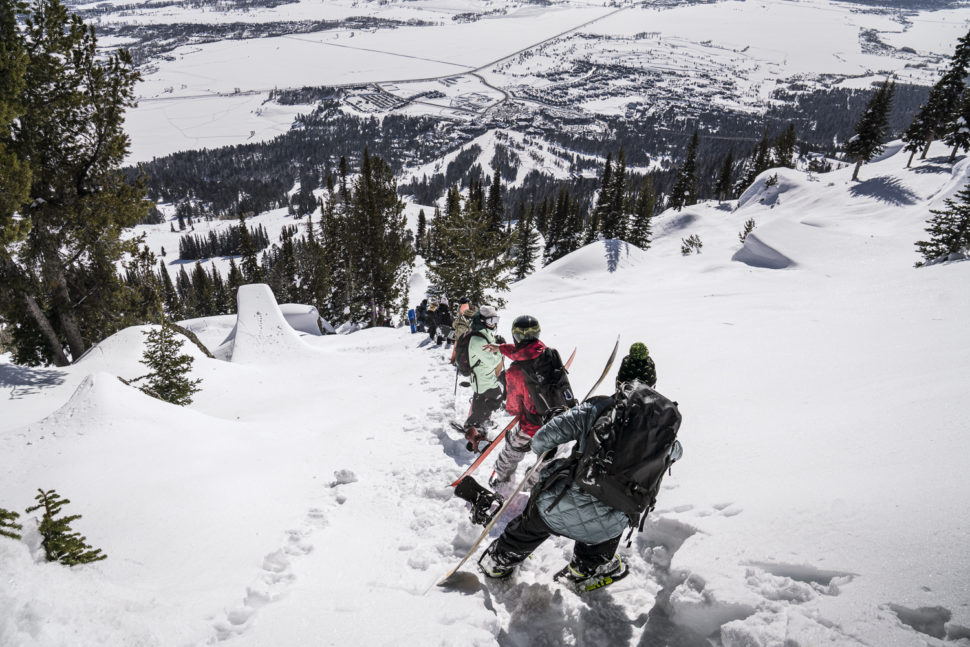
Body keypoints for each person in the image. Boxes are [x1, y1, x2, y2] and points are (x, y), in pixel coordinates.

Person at [478, 398, 627, 584]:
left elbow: (541, 440)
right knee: (610, 521)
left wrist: (556, 420)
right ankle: (585, 569)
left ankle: (500, 561)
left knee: (538, 517)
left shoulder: (600, 407)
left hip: (561, 501)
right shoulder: (660, 428)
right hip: (614, 516)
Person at [486, 315, 550, 491]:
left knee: (511, 451)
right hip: (557, 422)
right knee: (546, 458)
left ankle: (502, 478)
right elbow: (525, 351)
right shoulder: (547, 353)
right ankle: (532, 484)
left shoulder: (515, 371)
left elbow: (513, 408)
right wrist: (501, 348)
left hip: (532, 424)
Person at [462, 305, 504, 451]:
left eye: (496, 320)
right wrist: (500, 350)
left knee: (479, 402)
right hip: (483, 379)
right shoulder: (478, 340)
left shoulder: (484, 333)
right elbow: (492, 362)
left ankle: (474, 429)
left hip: (481, 378)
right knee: (497, 398)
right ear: (482, 320)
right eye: (491, 320)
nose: (494, 323)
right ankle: (478, 423)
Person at [450, 298, 477, 364]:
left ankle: (455, 361)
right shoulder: (475, 313)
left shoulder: (462, 313)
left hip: (459, 336)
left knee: (458, 350)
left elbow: (454, 325)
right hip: (470, 337)